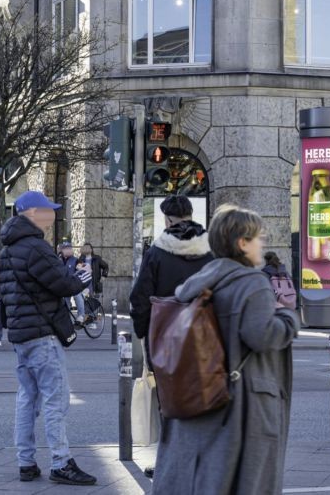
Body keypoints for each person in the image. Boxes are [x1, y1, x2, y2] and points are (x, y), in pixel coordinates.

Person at [152, 204, 300, 494]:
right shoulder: (252, 283)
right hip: (241, 401)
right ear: (242, 243)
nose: (262, 243)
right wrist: (288, 317)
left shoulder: (202, 280)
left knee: (205, 476)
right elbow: (262, 336)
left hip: (203, 392)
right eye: (259, 237)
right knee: (241, 479)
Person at [0, 191, 96, 485]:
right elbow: (63, 284)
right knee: (56, 398)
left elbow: (6, 293)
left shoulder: (6, 250)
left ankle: (26, 461)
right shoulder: (36, 247)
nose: (52, 215)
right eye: (48, 210)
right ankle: (61, 462)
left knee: (27, 398)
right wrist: (82, 277)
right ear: (32, 213)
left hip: (20, 334)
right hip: (42, 333)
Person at [129, 195, 213, 480]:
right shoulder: (210, 250)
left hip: (165, 338)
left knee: (168, 403)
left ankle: (170, 463)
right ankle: (201, 459)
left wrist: (144, 334)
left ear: (166, 219)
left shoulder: (156, 252)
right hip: (203, 338)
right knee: (202, 399)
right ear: (190, 214)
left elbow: (140, 298)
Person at [59, 242, 86, 323]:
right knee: (64, 301)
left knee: (77, 295)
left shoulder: (76, 260)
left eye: (69, 248)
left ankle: (81, 315)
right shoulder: (58, 260)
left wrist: (80, 267)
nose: (68, 250)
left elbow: (80, 266)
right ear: (62, 250)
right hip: (64, 286)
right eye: (66, 248)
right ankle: (66, 319)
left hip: (74, 284)